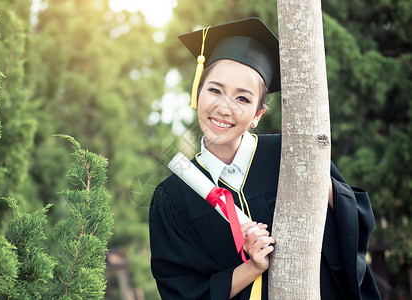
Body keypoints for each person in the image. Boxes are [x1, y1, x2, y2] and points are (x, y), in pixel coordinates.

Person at [149, 17, 381, 299]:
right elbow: (181, 290)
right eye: (214, 90)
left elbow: (353, 225)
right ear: (198, 92)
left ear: (258, 115)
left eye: (243, 99)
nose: (224, 108)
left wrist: (312, 174)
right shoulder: (172, 198)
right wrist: (253, 267)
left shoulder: (291, 154)